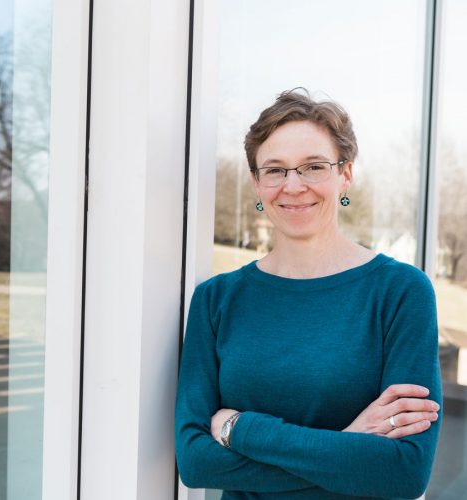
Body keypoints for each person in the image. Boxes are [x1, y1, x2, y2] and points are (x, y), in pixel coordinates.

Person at [174, 89, 442, 499]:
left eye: (313, 167)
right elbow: (195, 461)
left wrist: (241, 429)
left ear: (345, 174)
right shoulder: (216, 300)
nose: (293, 186)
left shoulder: (400, 292)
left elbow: (403, 471)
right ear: (256, 183)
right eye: (275, 170)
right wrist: (348, 442)